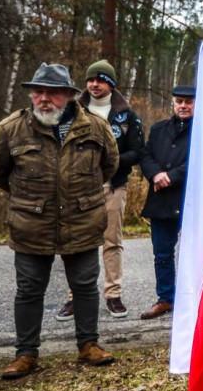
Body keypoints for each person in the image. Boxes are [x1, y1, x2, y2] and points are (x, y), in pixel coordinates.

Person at [0, 62, 119, 379]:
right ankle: (26, 354)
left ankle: (89, 345)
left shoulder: (96, 127)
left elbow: (109, 165)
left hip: (83, 219)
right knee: (29, 290)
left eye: (53, 93)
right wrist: (28, 198)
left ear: (70, 96)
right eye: (38, 92)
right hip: (31, 224)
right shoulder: (10, 129)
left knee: (85, 286)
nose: (44, 98)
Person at [54, 60, 144, 321]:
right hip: (77, 189)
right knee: (77, 243)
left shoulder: (126, 115)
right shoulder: (71, 111)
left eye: (101, 80)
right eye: (91, 80)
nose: (94, 84)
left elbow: (137, 151)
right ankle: (75, 297)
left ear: (111, 84)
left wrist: (109, 161)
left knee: (112, 242)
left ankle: (113, 295)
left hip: (113, 187)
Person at [139, 86, 195, 320]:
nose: (183, 106)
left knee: (194, 254)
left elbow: (201, 159)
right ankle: (166, 299)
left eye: (188, 102)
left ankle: (193, 299)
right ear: (173, 103)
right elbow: (145, 155)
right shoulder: (159, 129)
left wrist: (171, 176)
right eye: (179, 101)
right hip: (161, 200)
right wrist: (155, 174)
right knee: (162, 254)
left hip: (190, 200)